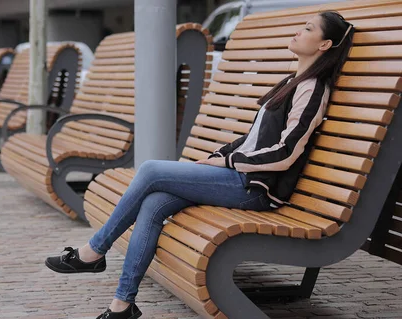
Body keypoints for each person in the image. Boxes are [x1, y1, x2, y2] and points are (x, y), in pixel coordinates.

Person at [45, 11, 355, 319]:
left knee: (151, 170)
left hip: (255, 188)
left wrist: (230, 162)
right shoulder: (293, 82)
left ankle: (93, 252)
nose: (298, 32)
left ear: (325, 44)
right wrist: (218, 157)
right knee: (154, 202)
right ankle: (122, 306)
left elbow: (286, 152)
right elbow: (253, 139)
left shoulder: (312, 89)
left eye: (307, 28)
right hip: (239, 176)